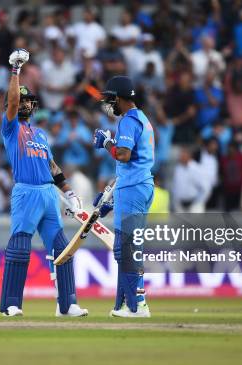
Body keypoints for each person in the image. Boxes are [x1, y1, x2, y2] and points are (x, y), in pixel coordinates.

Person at [0, 48, 87, 317]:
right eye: (21, 101)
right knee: (20, 249)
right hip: (26, 192)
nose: (25, 104)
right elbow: (13, 103)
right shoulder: (10, 128)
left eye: (28, 101)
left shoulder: (40, 134)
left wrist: (69, 192)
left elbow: (52, 166)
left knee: (62, 249)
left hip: (49, 194)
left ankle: (67, 304)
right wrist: (15, 70)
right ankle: (11, 304)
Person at [93, 75, 154, 318]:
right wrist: (113, 199)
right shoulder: (142, 118)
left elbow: (124, 155)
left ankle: (137, 304)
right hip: (138, 185)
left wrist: (107, 143)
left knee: (127, 247)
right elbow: (133, 164)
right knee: (126, 247)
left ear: (120, 98)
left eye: (111, 100)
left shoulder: (128, 120)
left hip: (133, 187)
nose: (110, 105)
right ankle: (124, 304)